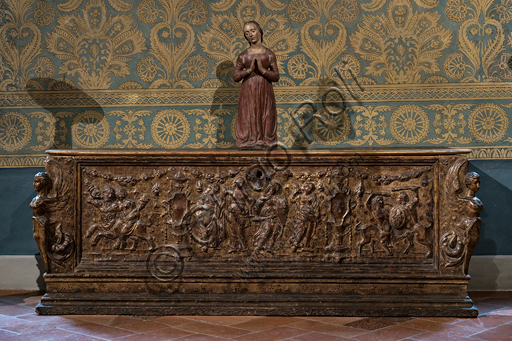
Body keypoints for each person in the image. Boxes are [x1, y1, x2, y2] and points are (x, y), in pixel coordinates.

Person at [233, 21, 279, 149]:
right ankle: (249, 140)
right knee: (249, 113)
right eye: (247, 33)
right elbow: (235, 77)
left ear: (260, 31)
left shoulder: (269, 54)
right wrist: (249, 70)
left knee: (265, 114)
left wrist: (262, 70)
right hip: (248, 90)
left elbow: (276, 76)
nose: (250, 35)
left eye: (253, 31)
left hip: (265, 90)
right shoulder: (243, 56)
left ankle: (265, 140)